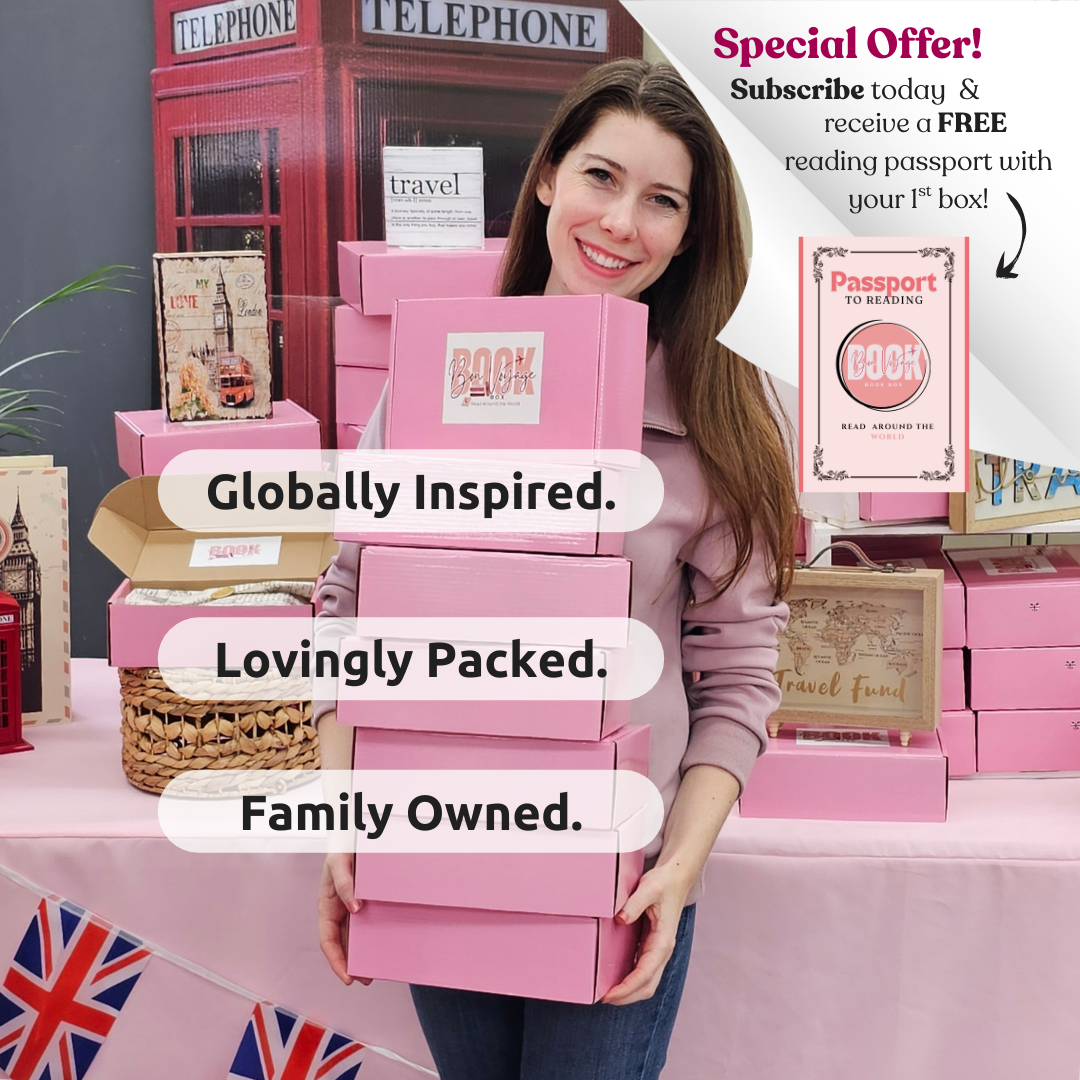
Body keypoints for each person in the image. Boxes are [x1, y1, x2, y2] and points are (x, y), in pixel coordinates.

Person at [315, 58, 797, 1080]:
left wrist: (679, 868)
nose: (622, 222)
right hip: (438, 844)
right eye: (600, 176)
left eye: (662, 200)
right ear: (546, 179)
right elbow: (348, 602)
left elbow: (743, 671)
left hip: (615, 870)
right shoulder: (434, 382)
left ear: (690, 233)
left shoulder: (721, 416)